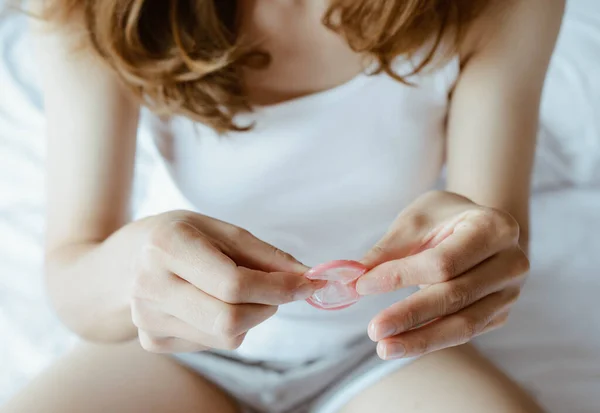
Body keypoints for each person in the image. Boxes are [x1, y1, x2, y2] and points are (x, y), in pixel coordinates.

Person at [2, 0, 565, 412]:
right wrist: (139, 268)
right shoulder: (86, 9)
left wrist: (471, 249)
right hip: (177, 342)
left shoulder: (499, 7)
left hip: (385, 342)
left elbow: (499, 243)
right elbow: (72, 276)